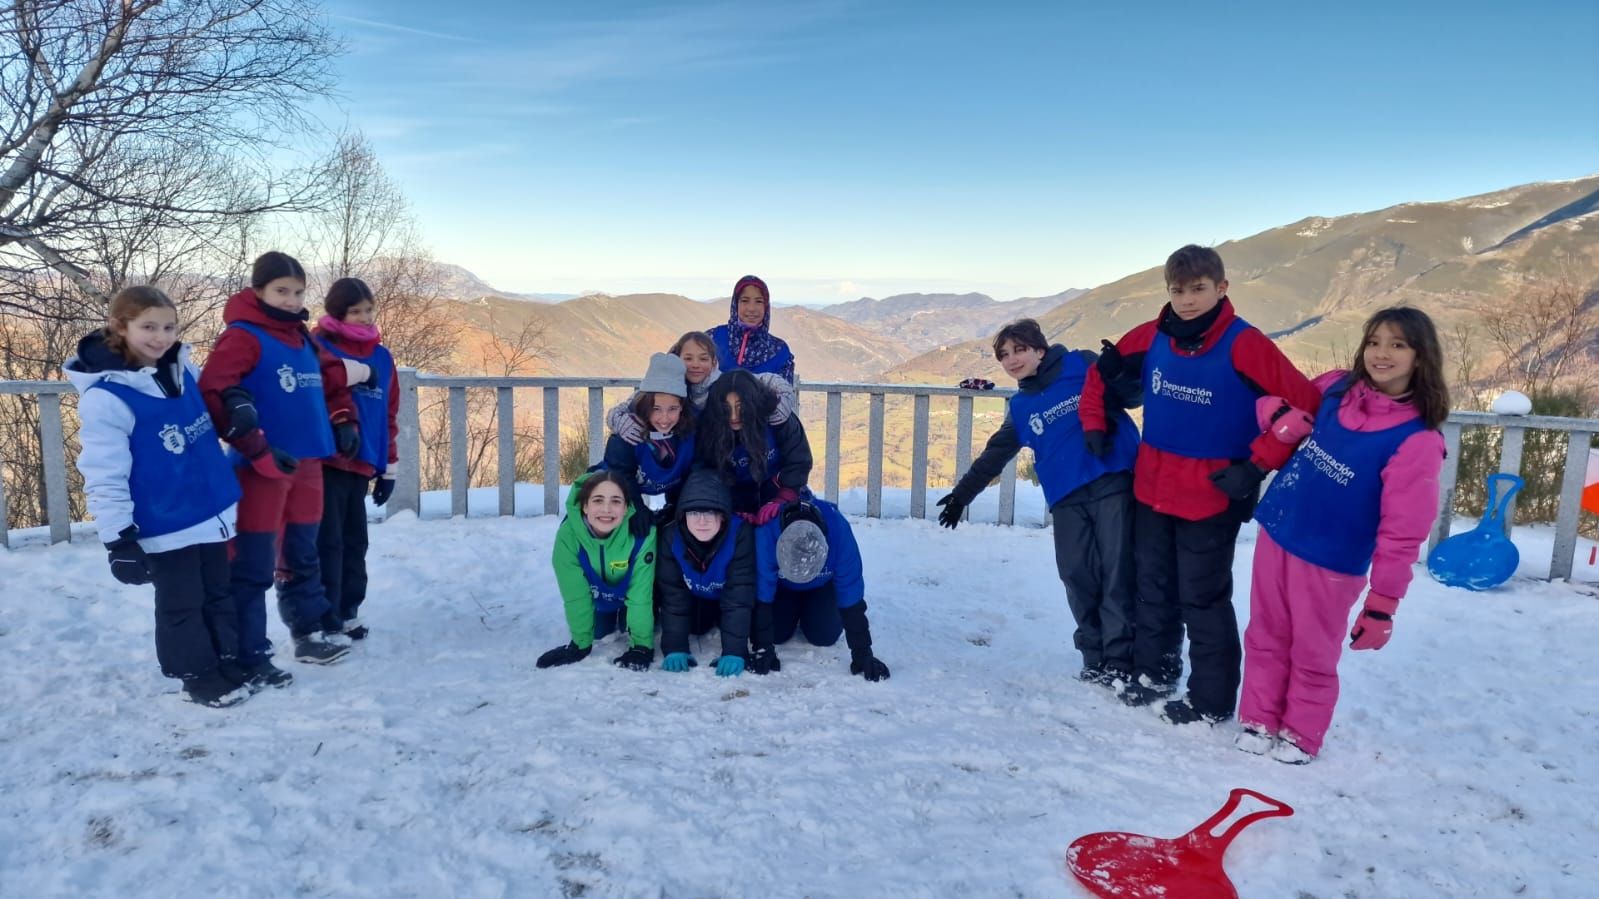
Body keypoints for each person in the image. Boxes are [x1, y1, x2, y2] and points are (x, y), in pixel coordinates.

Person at [1079, 244, 1323, 726]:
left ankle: (1210, 700)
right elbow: (1099, 374)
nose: (1187, 300)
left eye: (1198, 290)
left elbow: (1307, 406)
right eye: (1178, 290)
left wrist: (1255, 466)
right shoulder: (1152, 335)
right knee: (1153, 587)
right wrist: (1094, 424)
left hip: (1214, 490)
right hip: (1152, 485)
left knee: (1203, 597)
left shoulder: (1245, 343)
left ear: (1221, 288)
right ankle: (1154, 674)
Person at [1236, 308, 1448, 763]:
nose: (1381, 354)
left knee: (1313, 650)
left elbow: (1402, 533)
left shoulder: (1417, 440)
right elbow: (1272, 400)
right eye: (1374, 342)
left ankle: (1299, 733)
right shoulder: (1335, 388)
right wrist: (1275, 414)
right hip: (1280, 530)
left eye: (1397, 344)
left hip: (1333, 558)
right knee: (1265, 635)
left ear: (1420, 356)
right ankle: (1257, 719)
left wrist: (1382, 605)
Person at [65, 286, 249, 707]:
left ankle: (224, 658)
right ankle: (197, 675)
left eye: (168, 327)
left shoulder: (183, 371)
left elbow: (213, 405)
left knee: (218, 592)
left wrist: (236, 402)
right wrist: (119, 539)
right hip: (164, 521)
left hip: (209, 511)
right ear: (120, 327)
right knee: (182, 603)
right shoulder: (108, 398)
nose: (160, 337)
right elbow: (104, 473)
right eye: (148, 326)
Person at [936, 319, 1139, 686]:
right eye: (1003, 355)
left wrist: (1122, 373)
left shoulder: (1082, 364)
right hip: (1066, 498)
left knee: (1117, 574)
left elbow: (1131, 395)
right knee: (1077, 576)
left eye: (1019, 349)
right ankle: (1093, 657)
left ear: (1039, 349)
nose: (1012, 359)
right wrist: (962, 495)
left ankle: (1121, 660)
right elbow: (995, 454)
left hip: (1114, 484)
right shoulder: (1022, 406)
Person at [200, 251, 361, 681]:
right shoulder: (243, 336)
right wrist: (254, 444)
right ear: (258, 291)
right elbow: (215, 391)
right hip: (262, 466)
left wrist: (344, 419)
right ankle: (246, 650)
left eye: (298, 292)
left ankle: (308, 630)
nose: (291, 300)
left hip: (308, 461)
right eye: (281, 291)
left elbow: (329, 383)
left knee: (302, 551)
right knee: (253, 563)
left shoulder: (302, 337)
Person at [310, 277, 399, 640]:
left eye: (368, 310)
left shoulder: (381, 356)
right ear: (337, 313)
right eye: (355, 311)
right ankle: (324, 614)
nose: (364, 318)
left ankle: (349, 609)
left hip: (362, 462)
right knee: (326, 541)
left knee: (354, 540)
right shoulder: (319, 348)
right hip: (327, 459)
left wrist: (389, 467)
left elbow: (389, 415)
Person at [753, 498, 890, 681]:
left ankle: (811, 609)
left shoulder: (839, 533)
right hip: (783, 587)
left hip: (822, 586)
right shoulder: (766, 533)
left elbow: (850, 591)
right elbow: (762, 594)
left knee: (825, 636)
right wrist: (763, 647)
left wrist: (862, 652)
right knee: (776, 634)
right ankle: (794, 609)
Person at [537, 471, 657, 671]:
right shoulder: (568, 536)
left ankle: (627, 618)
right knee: (598, 632)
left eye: (616, 501)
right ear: (585, 506)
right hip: (598, 599)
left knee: (637, 620)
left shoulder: (642, 535)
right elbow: (575, 595)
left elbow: (640, 597)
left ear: (627, 507)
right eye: (598, 500)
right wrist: (580, 645)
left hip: (631, 598)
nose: (607, 509)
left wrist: (641, 646)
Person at [606, 330, 795, 442]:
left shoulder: (724, 383)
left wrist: (785, 395)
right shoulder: (666, 386)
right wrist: (618, 420)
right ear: (677, 359)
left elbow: (763, 380)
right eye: (688, 358)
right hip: (683, 465)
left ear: (714, 362)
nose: (695, 364)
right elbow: (631, 404)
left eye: (703, 358)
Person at [655, 469, 756, 677]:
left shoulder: (739, 534)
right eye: (694, 512)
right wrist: (675, 648)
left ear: (723, 515)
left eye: (710, 512)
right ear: (683, 515)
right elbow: (674, 595)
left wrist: (734, 651)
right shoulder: (671, 536)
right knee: (697, 627)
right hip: (697, 597)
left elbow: (739, 594)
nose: (702, 521)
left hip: (726, 596)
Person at [695, 368, 813, 521]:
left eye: (740, 406)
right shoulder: (710, 430)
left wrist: (783, 499)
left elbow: (798, 461)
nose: (734, 416)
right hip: (730, 502)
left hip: (780, 493)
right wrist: (728, 509)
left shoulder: (779, 421)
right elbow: (704, 472)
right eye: (726, 408)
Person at [600, 353, 695, 522]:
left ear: (682, 408)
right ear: (644, 405)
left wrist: (678, 507)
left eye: (672, 409)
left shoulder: (688, 433)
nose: (664, 419)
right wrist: (637, 508)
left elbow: (691, 471)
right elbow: (621, 475)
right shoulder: (627, 435)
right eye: (656, 409)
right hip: (618, 491)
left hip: (670, 489)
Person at [708, 275, 795, 383]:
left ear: (766, 306)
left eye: (759, 301)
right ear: (736, 304)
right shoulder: (712, 339)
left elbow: (784, 396)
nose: (751, 308)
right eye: (745, 301)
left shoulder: (779, 352)